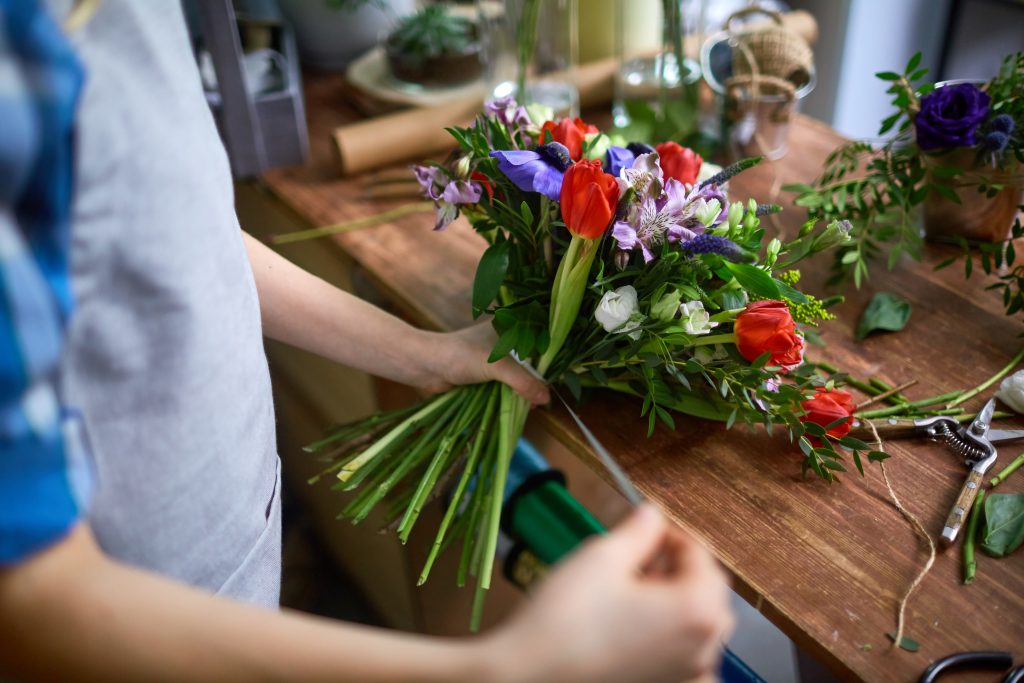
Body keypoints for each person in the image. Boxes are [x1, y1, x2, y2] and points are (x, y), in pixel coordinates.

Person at [0, 2, 734, 681]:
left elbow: (171, 237)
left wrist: (423, 351)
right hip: (125, 612)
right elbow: (29, 602)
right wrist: (516, 667)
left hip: (226, 548)